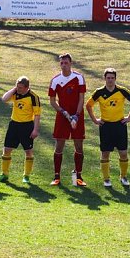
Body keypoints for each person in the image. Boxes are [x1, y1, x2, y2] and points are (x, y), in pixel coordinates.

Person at [86, 68, 130, 187]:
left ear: (115, 79)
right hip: (106, 127)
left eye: (112, 78)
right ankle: (106, 179)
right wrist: (95, 120)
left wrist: (129, 117)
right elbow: (88, 105)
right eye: (108, 78)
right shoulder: (99, 92)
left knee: (123, 153)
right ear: (104, 78)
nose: (110, 80)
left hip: (120, 126)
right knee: (105, 153)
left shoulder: (122, 90)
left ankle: (123, 176)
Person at [49, 53, 87, 186]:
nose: (64, 65)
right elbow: (53, 101)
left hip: (77, 116)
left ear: (71, 63)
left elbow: (82, 98)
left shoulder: (79, 78)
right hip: (62, 116)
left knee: (79, 146)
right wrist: (63, 112)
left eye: (66, 62)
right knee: (59, 146)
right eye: (61, 63)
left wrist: (76, 115)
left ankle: (77, 177)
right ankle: (57, 177)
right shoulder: (55, 80)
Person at [0, 76, 41, 183]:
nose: (19, 89)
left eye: (20, 87)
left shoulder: (33, 97)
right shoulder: (15, 93)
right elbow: (4, 99)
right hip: (14, 125)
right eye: (17, 87)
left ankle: (26, 176)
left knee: (28, 151)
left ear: (27, 87)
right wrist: (14, 89)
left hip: (27, 126)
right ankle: (4, 174)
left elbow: (37, 115)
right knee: (6, 149)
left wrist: (35, 130)